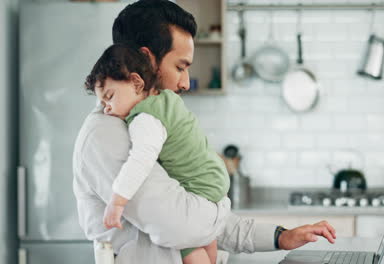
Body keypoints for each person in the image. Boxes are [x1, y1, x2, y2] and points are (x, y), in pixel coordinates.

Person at [72, 0, 337, 263]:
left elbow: (200, 215)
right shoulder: (106, 135)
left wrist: (281, 237)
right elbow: (182, 226)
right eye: (180, 67)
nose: (185, 83)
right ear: (147, 59)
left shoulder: (148, 121)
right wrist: (220, 197)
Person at [84, 43, 229, 264]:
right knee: (206, 238)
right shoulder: (166, 99)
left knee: (185, 245)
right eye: (103, 102)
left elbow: (140, 161)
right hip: (212, 178)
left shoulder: (145, 119)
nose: (106, 109)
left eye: (110, 96)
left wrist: (117, 201)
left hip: (198, 187)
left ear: (136, 82)